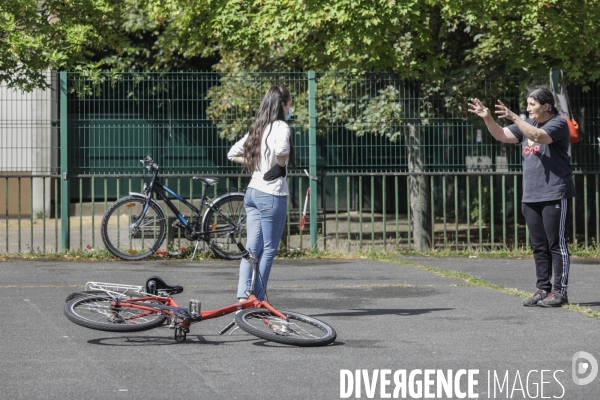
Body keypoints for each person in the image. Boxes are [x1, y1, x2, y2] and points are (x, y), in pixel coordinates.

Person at [468, 88, 575, 307]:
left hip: (555, 192)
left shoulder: (558, 123)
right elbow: (501, 135)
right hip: (531, 195)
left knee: (556, 244)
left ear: (546, 106)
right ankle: (542, 289)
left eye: (532, 104)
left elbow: (538, 137)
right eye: (526, 105)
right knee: (538, 245)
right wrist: (487, 117)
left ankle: (560, 292)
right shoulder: (527, 125)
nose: (528, 109)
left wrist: (515, 116)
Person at [227, 85, 296, 301]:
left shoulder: (259, 126)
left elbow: (232, 153)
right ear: (282, 105)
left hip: (252, 193)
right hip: (271, 195)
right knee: (268, 249)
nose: (291, 108)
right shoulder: (281, 127)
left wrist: (257, 164)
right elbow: (282, 150)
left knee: (251, 249)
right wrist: (280, 166)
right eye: (290, 103)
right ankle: (258, 297)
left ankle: (242, 297)